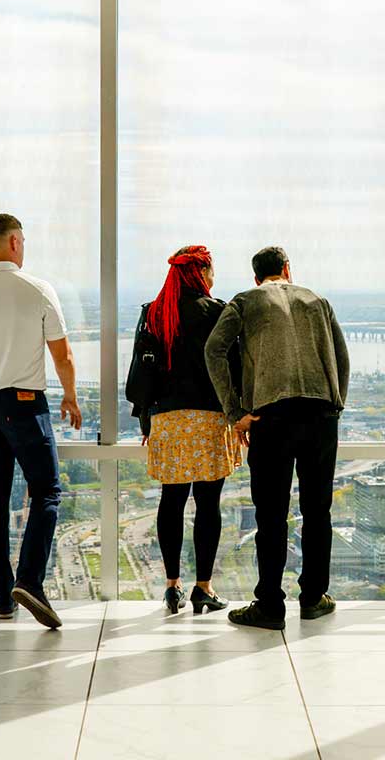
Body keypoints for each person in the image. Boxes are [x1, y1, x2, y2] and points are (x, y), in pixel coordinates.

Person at [205, 246, 350, 631]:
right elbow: (342, 355)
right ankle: (314, 597)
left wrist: (235, 412)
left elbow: (214, 350)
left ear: (257, 277)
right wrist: (336, 403)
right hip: (321, 414)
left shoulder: (245, 300)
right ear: (288, 269)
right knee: (318, 511)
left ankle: (270, 604)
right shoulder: (317, 300)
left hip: (272, 417)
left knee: (271, 515)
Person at [0, 213, 82, 629]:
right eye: (21, 240)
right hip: (25, 404)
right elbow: (62, 355)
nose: (24, 246)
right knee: (46, 493)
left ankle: (3, 598)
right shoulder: (38, 290)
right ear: (12, 242)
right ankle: (29, 581)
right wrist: (71, 397)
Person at [125, 245, 241, 615]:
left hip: (167, 420)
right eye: (211, 271)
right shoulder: (217, 312)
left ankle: (172, 586)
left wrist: (146, 421)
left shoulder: (154, 313)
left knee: (171, 501)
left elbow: (143, 372)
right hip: (210, 419)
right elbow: (233, 368)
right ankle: (203, 588)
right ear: (202, 272)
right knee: (209, 504)